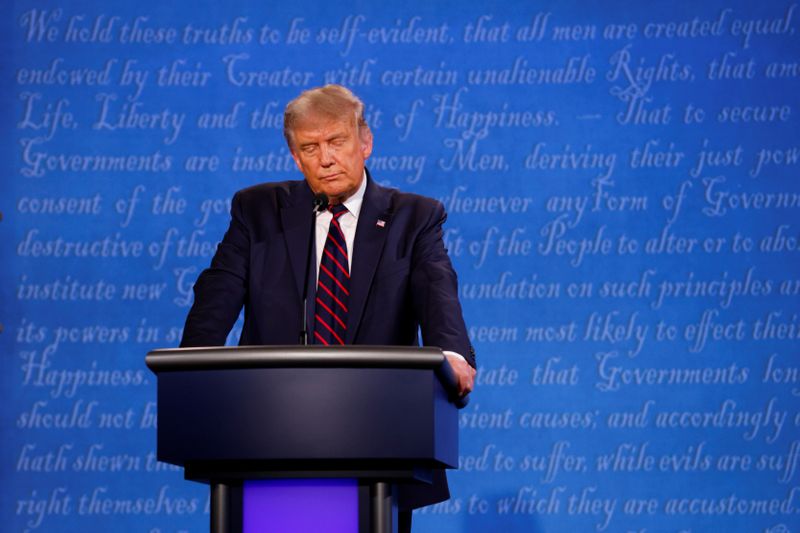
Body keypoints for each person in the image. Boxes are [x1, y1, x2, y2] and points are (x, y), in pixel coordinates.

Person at [180, 84, 475, 530]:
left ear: (365, 142)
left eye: (336, 142)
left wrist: (451, 353)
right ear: (296, 159)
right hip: (266, 428)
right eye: (310, 148)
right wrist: (194, 366)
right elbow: (219, 289)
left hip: (380, 433)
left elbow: (437, 288)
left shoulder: (414, 217)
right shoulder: (258, 210)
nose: (326, 158)